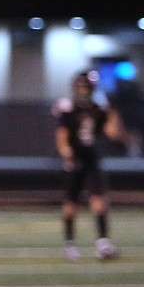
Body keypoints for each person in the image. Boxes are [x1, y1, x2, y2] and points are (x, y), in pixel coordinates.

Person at [52, 70, 125, 261]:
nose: (83, 90)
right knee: (70, 203)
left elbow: (112, 134)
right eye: (81, 86)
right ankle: (69, 244)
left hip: (92, 159)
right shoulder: (68, 108)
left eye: (87, 87)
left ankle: (103, 244)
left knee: (99, 201)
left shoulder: (99, 108)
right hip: (74, 160)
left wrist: (113, 113)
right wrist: (67, 154)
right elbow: (62, 136)